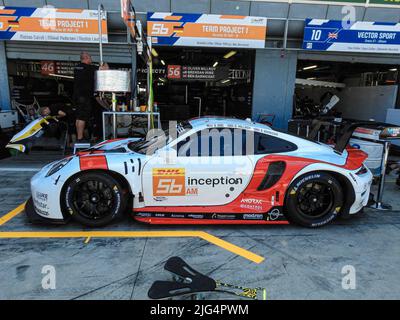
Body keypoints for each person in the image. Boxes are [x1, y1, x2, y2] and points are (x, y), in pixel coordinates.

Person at [73, 52, 108, 143]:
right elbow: (105, 69)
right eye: (90, 57)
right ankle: (80, 138)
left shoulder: (77, 68)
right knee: (82, 117)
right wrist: (104, 62)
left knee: (78, 117)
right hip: (85, 96)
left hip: (77, 95)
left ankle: (79, 137)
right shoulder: (89, 68)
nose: (91, 59)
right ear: (86, 58)